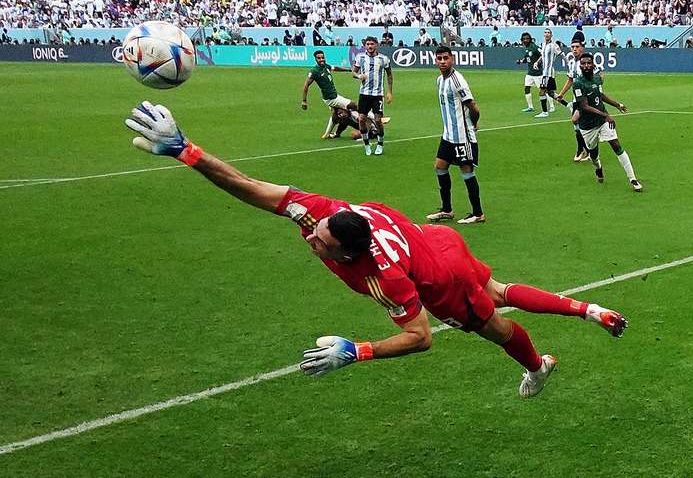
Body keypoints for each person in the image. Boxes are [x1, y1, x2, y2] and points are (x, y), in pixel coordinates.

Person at [123, 102, 630, 397]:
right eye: (316, 232)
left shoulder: (382, 277)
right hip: (437, 239)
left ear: (348, 253)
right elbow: (251, 186)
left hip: (438, 274)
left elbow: (420, 336)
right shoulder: (323, 212)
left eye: (322, 242)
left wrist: (357, 351)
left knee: (495, 323)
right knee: (499, 289)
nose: (312, 239)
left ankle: (538, 366)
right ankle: (588, 310)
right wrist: (188, 152)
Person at [426, 46, 485, 224]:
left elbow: (473, 107)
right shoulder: (439, 80)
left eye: (446, 58)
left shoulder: (457, 80)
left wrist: (473, 125)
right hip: (448, 135)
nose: (442, 61)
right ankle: (447, 210)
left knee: (466, 172)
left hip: (462, 136)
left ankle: (478, 213)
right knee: (440, 167)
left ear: (452, 59)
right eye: (439, 58)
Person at [571, 53, 643, 192]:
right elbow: (584, 106)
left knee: (616, 145)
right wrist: (606, 115)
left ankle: (633, 179)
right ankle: (598, 168)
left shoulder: (597, 79)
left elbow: (600, 95)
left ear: (593, 65)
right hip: (587, 126)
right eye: (583, 63)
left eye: (588, 63)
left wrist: (617, 105)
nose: (586, 66)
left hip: (602, 120)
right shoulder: (578, 84)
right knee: (593, 154)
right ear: (580, 66)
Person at [301, 50, 360, 139]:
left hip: (333, 96)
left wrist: (348, 69)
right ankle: (375, 117)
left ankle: (328, 134)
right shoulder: (314, 71)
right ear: (315, 59)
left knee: (337, 115)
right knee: (354, 105)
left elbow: (335, 68)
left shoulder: (326, 66)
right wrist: (304, 101)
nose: (321, 59)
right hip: (332, 98)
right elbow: (306, 86)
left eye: (322, 57)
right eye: (319, 58)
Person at [351, 36, 394, 156]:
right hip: (364, 94)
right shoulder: (360, 57)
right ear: (365, 45)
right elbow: (353, 72)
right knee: (361, 119)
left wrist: (390, 92)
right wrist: (359, 76)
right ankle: (366, 144)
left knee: (378, 120)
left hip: (377, 94)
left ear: (377, 45)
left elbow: (389, 75)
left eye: (372, 44)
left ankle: (380, 144)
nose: (370, 46)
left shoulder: (383, 59)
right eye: (368, 44)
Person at [556, 40, 595, 162]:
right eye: (572, 47)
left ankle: (584, 150)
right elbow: (570, 80)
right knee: (578, 125)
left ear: (582, 48)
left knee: (577, 121)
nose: (574, 49)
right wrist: (561, 94)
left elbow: (600, 77)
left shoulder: (587, 62)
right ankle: (586, 150)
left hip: (588, 100)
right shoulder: (572, 63)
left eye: (577, 47)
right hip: (576, 100)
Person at [534, 28, 562, 118]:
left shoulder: (553, 45)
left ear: (551, 35)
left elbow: (561, 54)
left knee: (541, 91)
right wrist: (537, 62)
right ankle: (569, 105)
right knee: (551, 93)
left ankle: (544, 112)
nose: (547, 34)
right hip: (545, 73)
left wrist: (569, 64)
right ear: (543, 35)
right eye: (545, 33)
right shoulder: (543, 45)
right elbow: (543, 56)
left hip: (548, 73)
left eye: (548, 33)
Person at [516, 32, 541, 113]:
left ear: (530, 39)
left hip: (538, 73)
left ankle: (551, 106)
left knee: (543, 91)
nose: (526, 40)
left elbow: (542, 55)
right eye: (524, 39)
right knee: (527, 88)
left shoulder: (534, 47)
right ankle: (530, 107)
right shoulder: (526, 48)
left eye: (527, 39)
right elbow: (527, 59)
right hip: (530, 73)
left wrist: (537, 63)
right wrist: (520, 61)